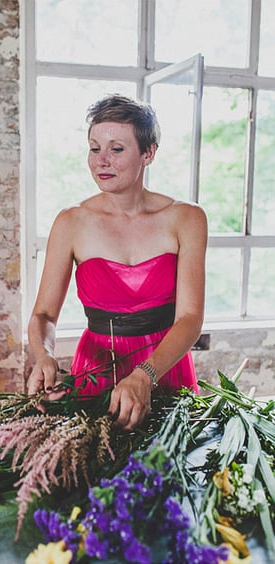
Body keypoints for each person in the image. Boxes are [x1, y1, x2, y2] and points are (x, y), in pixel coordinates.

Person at [27, 93, 207, 430]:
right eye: (95, 148)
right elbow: (43, 314)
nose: (101, 161)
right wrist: (45, 355)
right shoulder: (71, 222)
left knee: (172, 474)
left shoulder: (187, 218)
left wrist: (145, 376)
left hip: (165, 368)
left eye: (117, 149)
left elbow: (190, 317)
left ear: (148, 153)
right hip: (95, 371)